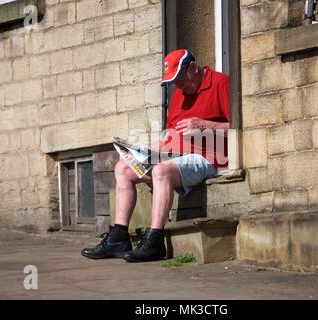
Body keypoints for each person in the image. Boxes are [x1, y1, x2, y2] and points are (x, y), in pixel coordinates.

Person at [81, 49, 230, 262]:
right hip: (176, 154)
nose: (177, 86)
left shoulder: (221, 83)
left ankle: (155, 241)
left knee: (161, 170)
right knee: (123, 167)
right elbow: (171, 136)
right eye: (173, 82)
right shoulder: (179, 93)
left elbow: (242, 125)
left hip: (210, 157)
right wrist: (146, 151)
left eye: (179, 79)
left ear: (193, 68)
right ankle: (118, 238)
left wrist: (206, 125)